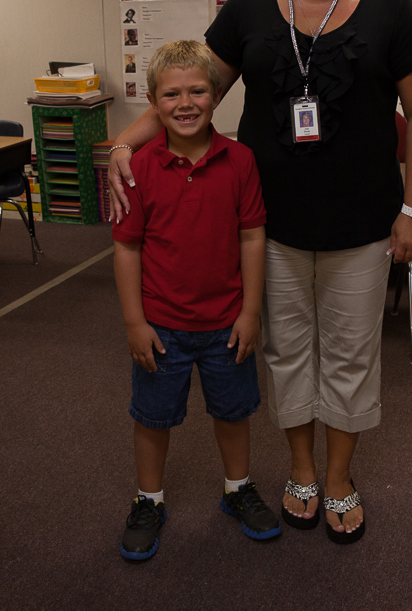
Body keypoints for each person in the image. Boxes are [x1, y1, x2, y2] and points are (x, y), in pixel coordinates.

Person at [108, 0, 412, 545]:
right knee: (286, 350)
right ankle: (299, 468)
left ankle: (341, 476)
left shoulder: (392, 10)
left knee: (351, 352)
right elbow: (188, 95)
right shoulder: (248, 11)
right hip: (268, 226)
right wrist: (122, 144)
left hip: (363, 221)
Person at [113, 40, 280, 560]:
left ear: (217, 94)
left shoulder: (241, 160)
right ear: (152, 100)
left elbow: (253, 237)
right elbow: (127, 249)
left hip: (226, 321)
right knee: (152, 417)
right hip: (160, 326)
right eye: (172, 94)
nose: (186, 104)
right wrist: (134, 323)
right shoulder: (137, 167)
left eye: (198, 91)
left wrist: (251, 312)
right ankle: (149, 499)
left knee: (233, 412)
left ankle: (238, 489)